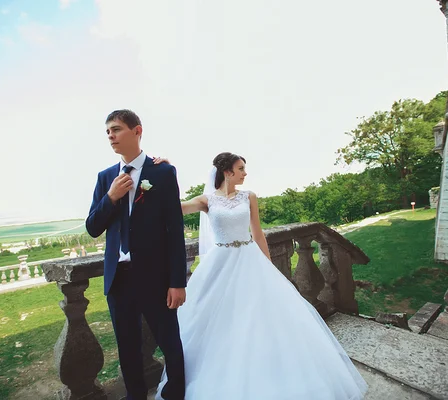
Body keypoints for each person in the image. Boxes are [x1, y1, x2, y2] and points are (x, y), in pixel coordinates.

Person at [155, 152, 368, 399]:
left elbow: (258, 234)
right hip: (220, 264)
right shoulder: (207, 200)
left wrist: (268, 268)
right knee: (221, 317)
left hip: (249, 260)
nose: (245, 173)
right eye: (241, 168)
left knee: (260, 316)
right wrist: (168, 173)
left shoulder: (249, 197)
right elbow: (175, 208)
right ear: (227, 172)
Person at [85, 109, 187, 400]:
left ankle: (175, 394)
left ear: (137, 130)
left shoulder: (163, 172)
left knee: (170, 342)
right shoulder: (106, 178)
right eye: (107, 132)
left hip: (156, 278)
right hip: (119, 279)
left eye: (116, 129)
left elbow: (174, 230)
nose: (111, 136)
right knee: (127, 348)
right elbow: (93, 227)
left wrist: (177, 281)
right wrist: (111, 197)